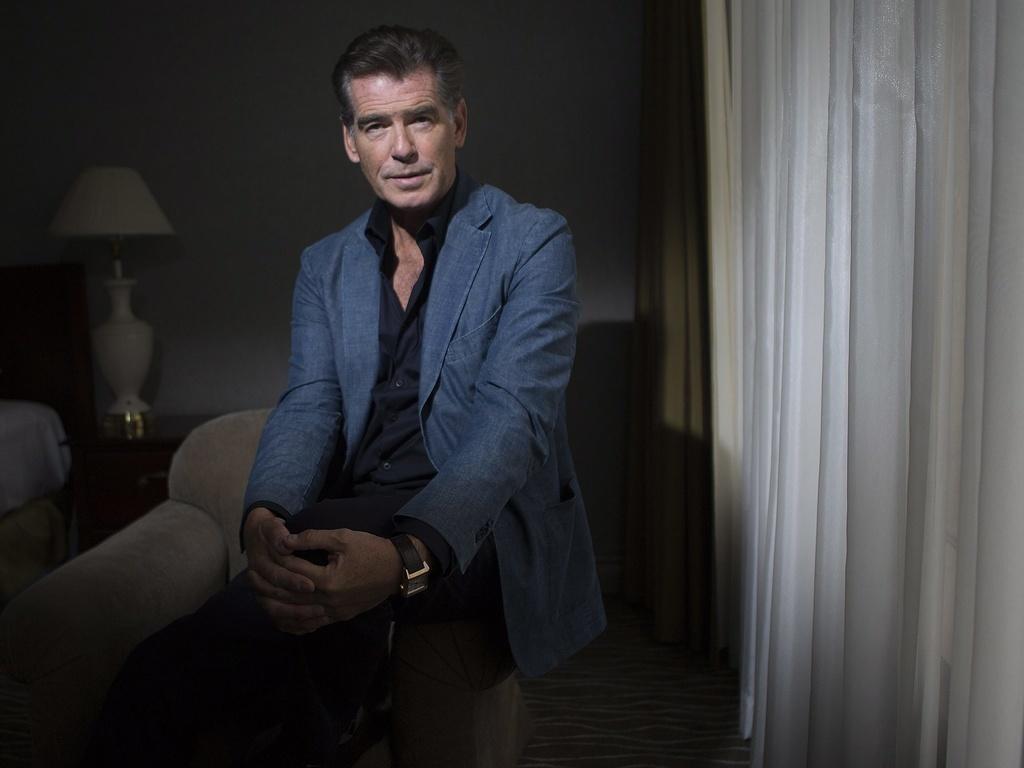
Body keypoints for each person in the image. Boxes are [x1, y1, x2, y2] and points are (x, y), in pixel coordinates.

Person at [83, 24, 605, 767]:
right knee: (195, 656)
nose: (402, 148)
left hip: (484, 523)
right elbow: (310, 404)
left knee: (236, 626)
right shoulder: (325, 264)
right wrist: (263, 513)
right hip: (354, 504)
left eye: (421, 118)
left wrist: (401, 557)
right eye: (376, 125)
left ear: (458, 122)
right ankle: (323, 729)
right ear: (350, 141)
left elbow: (513, 423)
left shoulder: (532, 241)